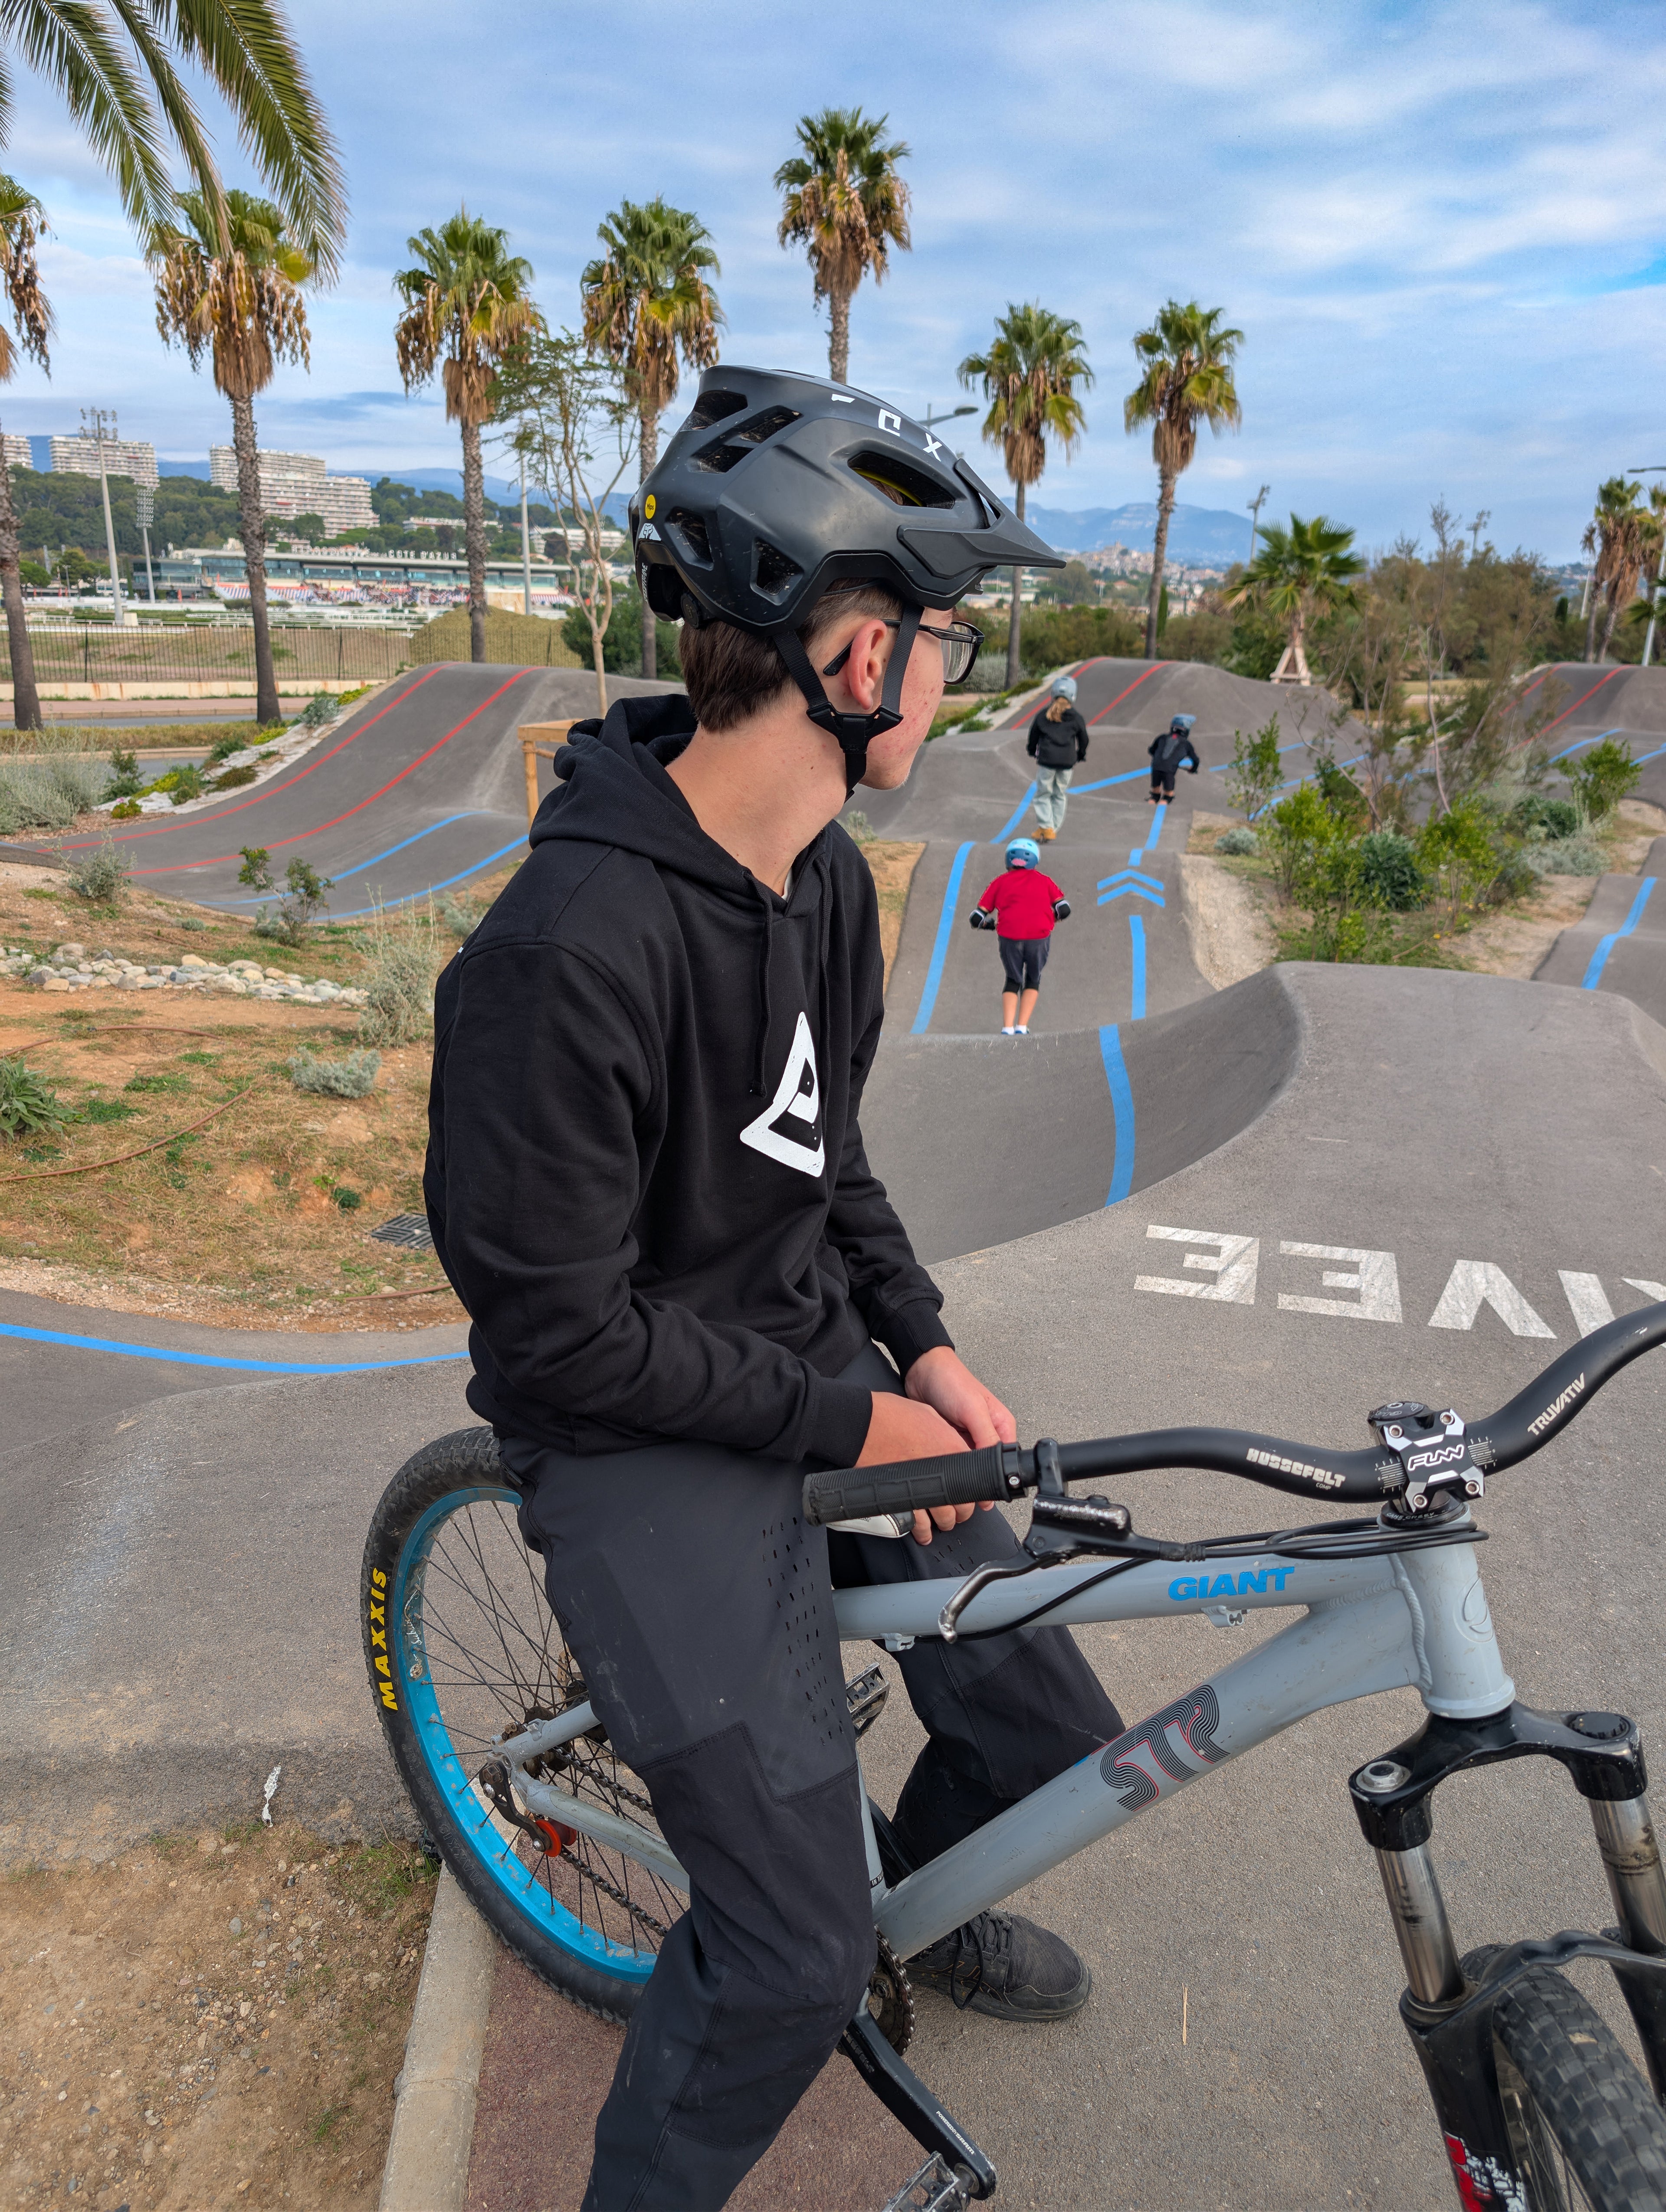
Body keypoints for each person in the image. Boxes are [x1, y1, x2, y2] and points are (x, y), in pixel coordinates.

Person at [426, 366, 1124, 2212]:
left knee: (1055, 1732)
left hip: (808, 1371)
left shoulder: (819, 886)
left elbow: (833, 1166)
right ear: (844, 651)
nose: (952, 678)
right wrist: (856, 1414)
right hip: (627, 1442)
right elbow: (557, 1335)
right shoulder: (560, 956)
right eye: (942, 639)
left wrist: (928, 1344)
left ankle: (913, 1905)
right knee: (785, 1967)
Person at [969, 835, 1071, 1035]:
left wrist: (986, 925)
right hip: (1039, 938)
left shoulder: (999, 882)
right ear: (1034, 860)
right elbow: (1064, 909)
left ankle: (1007, 1027)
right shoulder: (1045, 881)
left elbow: (976, 917)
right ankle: (1022, 1027)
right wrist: (1053, 919)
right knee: (1033, 979)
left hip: (1009, 938)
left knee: (1013, 980)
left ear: (1008, 860)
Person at [1025, 673, 1089, 839]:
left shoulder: (1044, 715)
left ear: (1053, 694)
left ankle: (1047, 827)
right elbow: (1084, 739)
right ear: (1073, 696)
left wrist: (1032, 751)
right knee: (1059, 794)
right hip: (1067, 762)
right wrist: (1080, 755)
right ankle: (1053, 828)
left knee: (1043, 794)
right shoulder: (1077, 718)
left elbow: (1033, 736)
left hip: (1047, 761)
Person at [1148, 712, 1200, 805]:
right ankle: (1164, 804)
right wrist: (1193, 769)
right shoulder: (1186, 744)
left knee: (1155, 795)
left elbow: (1152, 751)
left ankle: (1152, 802)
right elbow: (1196, 761)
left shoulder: (1162, 737)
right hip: (1169, 770)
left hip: (1156, 767)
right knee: (1168, 796)